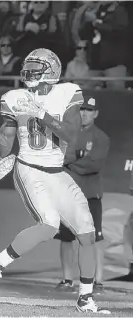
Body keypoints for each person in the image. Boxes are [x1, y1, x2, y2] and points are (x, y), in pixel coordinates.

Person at [0, 48, 110, 314]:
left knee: (87, 234)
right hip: (30, 168)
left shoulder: (67, 92)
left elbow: (71, 134)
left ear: (53, 71)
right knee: (48, 225)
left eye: (36, 68)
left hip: (57, 171)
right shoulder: (14, 98)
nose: (30, 72)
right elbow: (4, 148)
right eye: (28, 67)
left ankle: (85, 298)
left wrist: (41, 113)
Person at [55, 96, 110, 294]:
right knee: (66, 237)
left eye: (89, 110)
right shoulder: (67, 134)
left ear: (96, 113)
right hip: (68, 193)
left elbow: (93, 164)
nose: (84, 113)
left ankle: (98, 281)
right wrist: (77, 157)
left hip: (90, 194)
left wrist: (71, 162)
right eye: (82, 109)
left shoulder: (101, 137)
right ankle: (67, 279)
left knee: (95, 238)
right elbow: (58, 158)